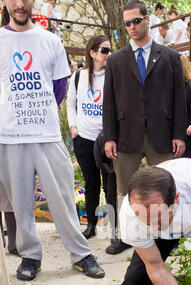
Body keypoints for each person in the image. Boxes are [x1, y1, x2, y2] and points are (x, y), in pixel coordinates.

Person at [0, 0, 105, 281]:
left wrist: (37, 111)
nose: (20, 4)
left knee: (63, 198)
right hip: (10, 138)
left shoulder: (50, 41)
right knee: (21, 203)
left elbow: (59, 86)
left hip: (46, 134)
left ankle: (81, 254)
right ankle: (30, 256)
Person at [103, 1, 187, 255]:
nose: (131, 27)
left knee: (167, 185)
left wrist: (179, 134)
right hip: (126, 135)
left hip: (161, 135)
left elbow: (179, 99)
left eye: (135, 21)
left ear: (147, 19)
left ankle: (169, 235)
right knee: (125, 189)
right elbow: (109, 101)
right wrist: (109, 137)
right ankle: (125, 236)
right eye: (127, 23)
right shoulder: (115, 60)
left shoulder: (170, 57)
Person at [67, 35, 113, 240]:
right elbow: (71, 103)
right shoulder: (79, 76)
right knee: (91, 183)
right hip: (84, 138)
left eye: (110, 50)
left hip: (107, 139)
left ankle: (115, 226)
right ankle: (92, 224)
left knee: (110, 184)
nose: (108, 54)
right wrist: (72, 126)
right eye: (104, 50)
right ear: (92, 53)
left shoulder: (113, 75)